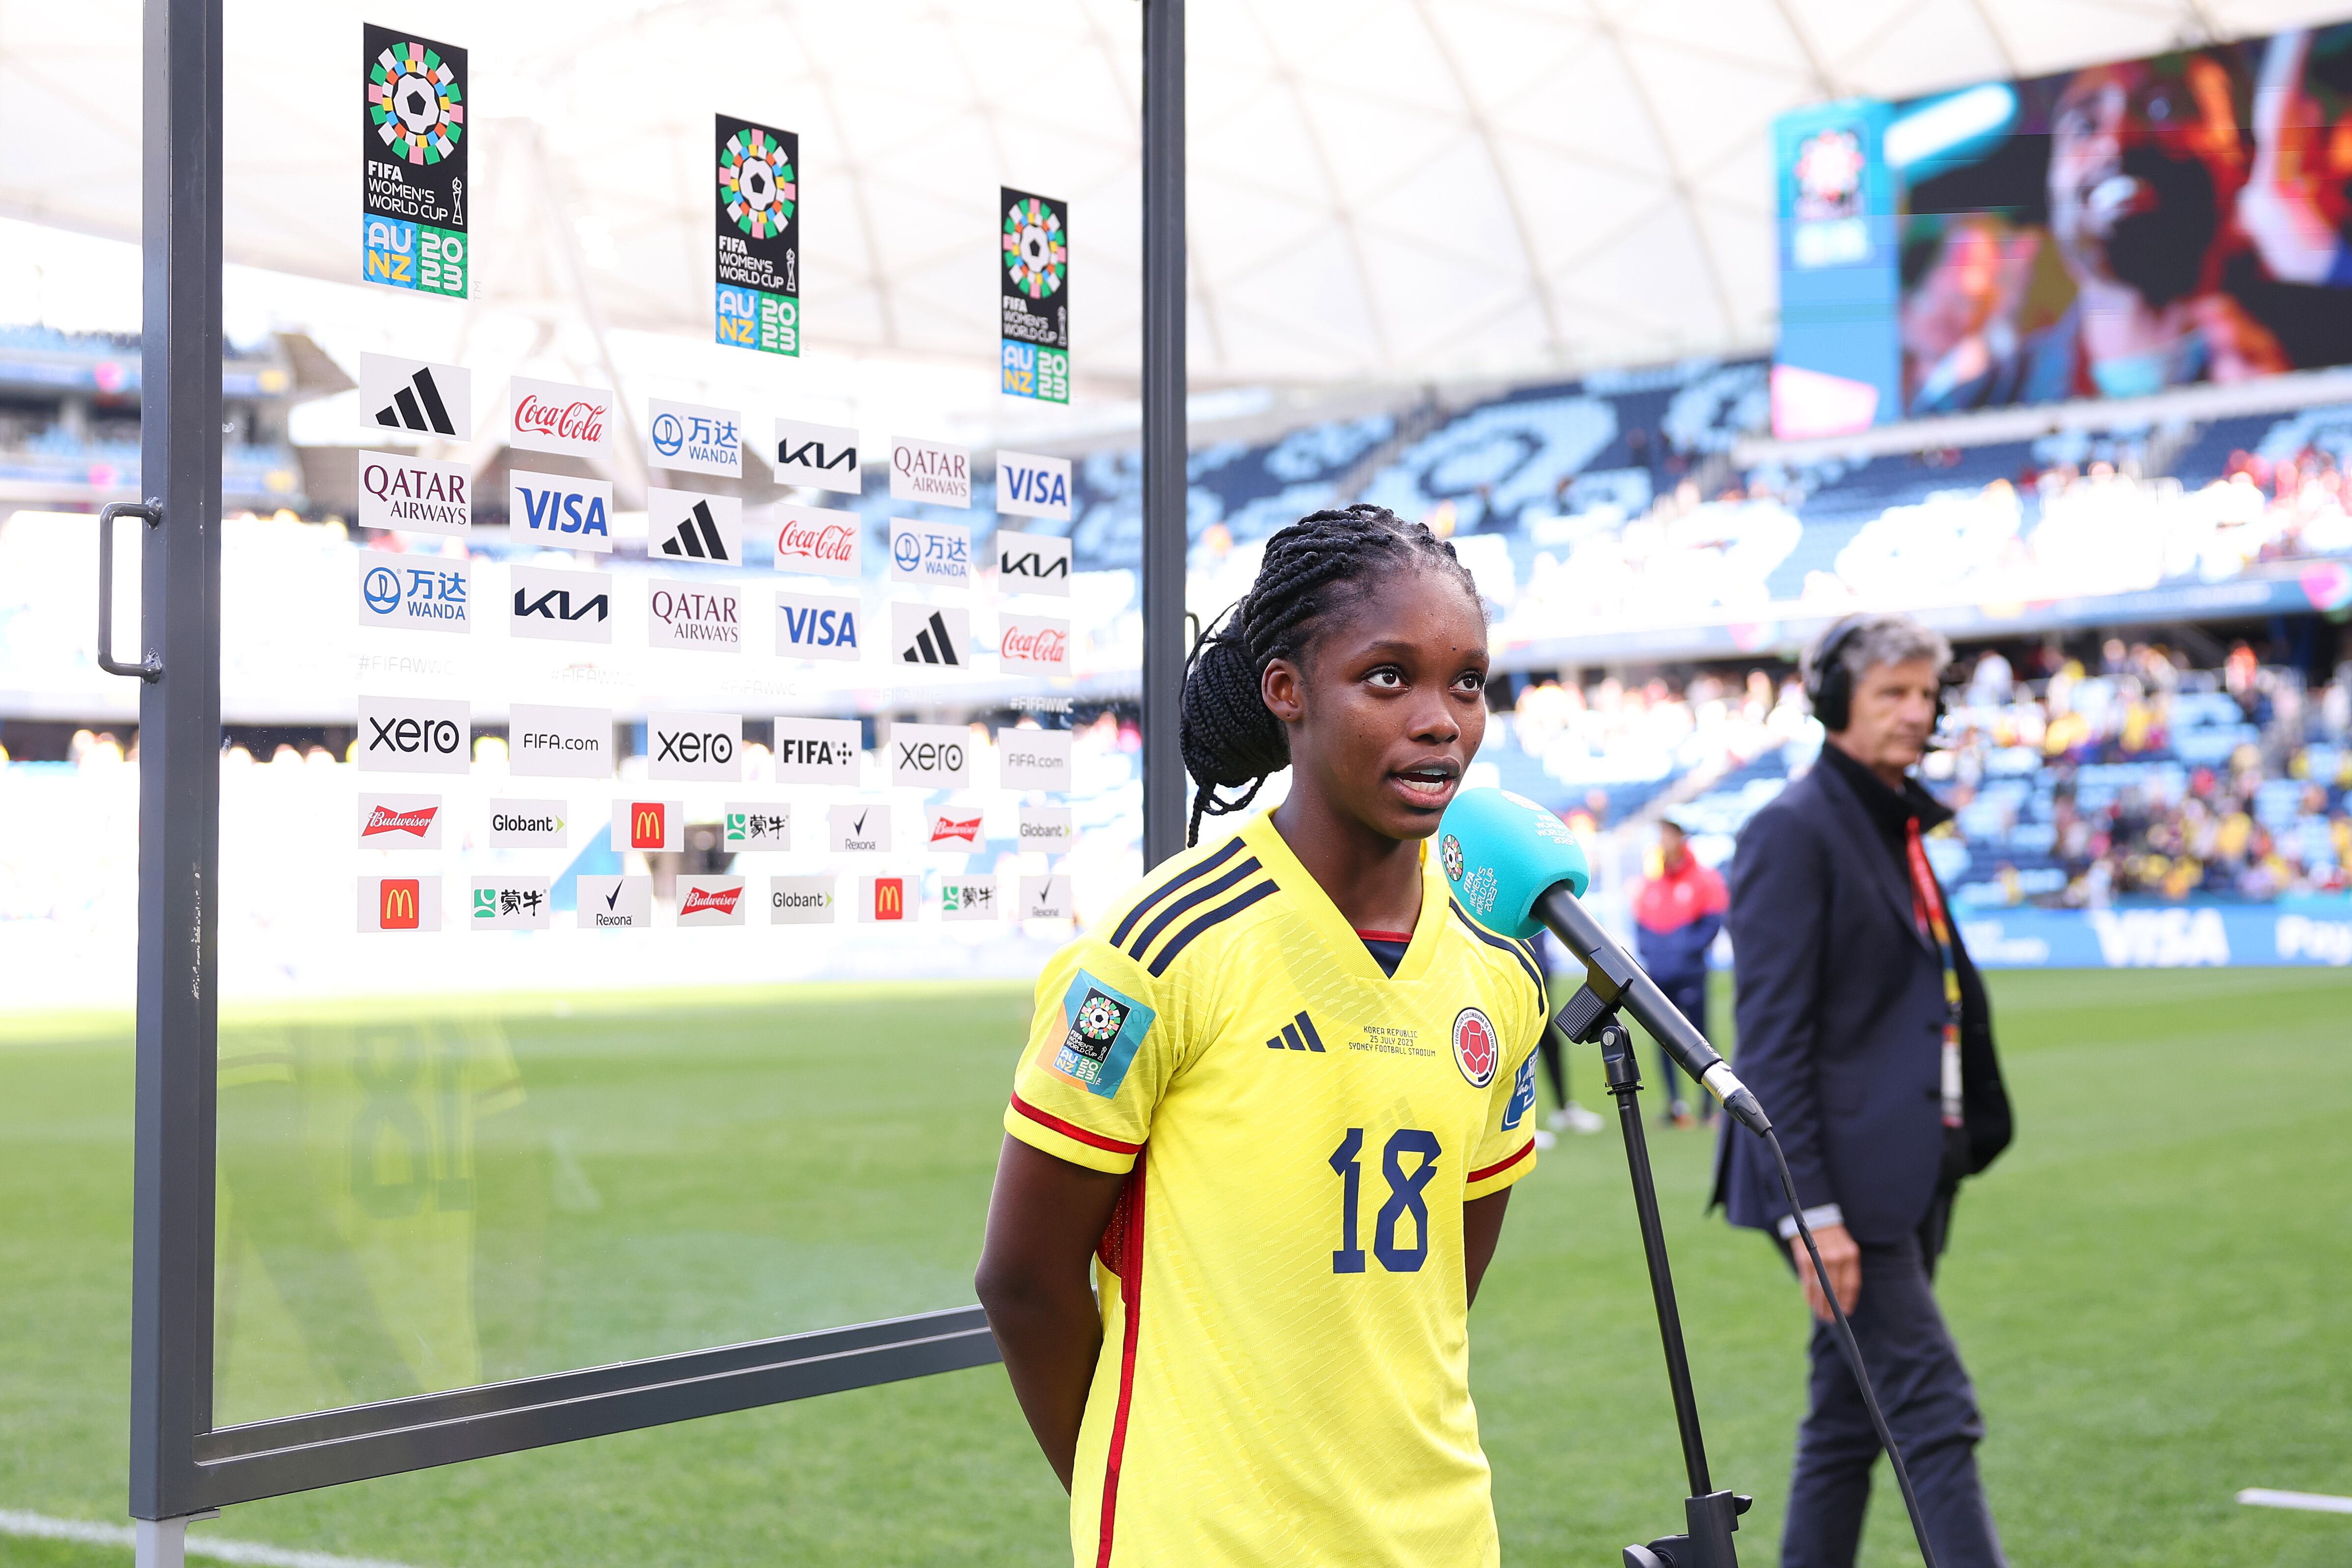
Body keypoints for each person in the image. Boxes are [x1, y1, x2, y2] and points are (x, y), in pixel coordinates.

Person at [975, 504, 1552, 1568]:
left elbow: (1439, 1294)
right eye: (1389, 677)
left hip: (1443, 1539)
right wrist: (1146, 1481)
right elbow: (1024, 1280)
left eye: (1465, 682)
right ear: (1286, 691)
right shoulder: (1162, 949)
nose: (1441, 720)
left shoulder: (1502, 971)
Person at [1709, 613, 2015, 1568]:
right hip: (1837, 1188)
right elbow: (1772, 1042)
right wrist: (1815, 1214)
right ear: (1834, 704)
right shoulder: (1791, 830)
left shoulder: (1897, 821)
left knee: (1849, 1423)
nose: (1916, 713)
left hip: (1910, 1170)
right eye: (1892, 693)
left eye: (1927, 694)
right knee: (1934, 1411)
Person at [1631, 814, 1726, 1127]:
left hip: (1690, 973)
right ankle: (1675, 1106)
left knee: (1699, 1038)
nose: (1662, 841)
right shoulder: (1652, 882)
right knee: (1664, 1039)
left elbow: (1712, 923)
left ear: (1681, 838)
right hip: (1658, 975)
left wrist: (1685, 953)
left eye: (1668, 834)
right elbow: (1641, 924)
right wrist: (1654, 954)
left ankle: (1709, 1104)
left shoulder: (1704, 878)